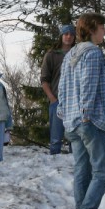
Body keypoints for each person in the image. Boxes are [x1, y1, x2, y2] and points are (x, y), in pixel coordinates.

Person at [57, 13, 105, 209]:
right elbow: (88, 84)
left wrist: (65, 113)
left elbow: (62, 88)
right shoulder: (92, 52)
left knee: (83, 170)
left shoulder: (71, 54)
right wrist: (87, 113)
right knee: (102, 173)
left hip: (71, 122)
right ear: (91, 29)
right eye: (102, 27)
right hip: (88, 120)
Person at [40, 23, 76, 154]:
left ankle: (75, 167)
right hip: (57, 100)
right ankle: (53, 170)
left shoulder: (77, 53)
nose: (69, 37)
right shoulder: (51, 54)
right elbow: (44, 80)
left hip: (75, 101)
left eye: (72, 34)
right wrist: (52, 99)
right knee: (56, 139)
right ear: (61, 36)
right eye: (66, 34)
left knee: (75, 138)